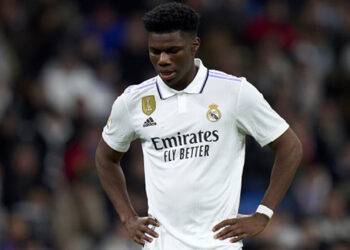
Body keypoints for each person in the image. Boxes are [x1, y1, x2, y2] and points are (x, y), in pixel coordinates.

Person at [95, 2, 302, 250]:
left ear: (194, 46)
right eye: (155, 51)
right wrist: (127, 217)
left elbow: (290, 146)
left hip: (219, 245)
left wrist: (263, 213)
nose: (162, 60)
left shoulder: (233, 92)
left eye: (172, 51)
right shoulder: (134, 101)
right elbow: (106, 157)